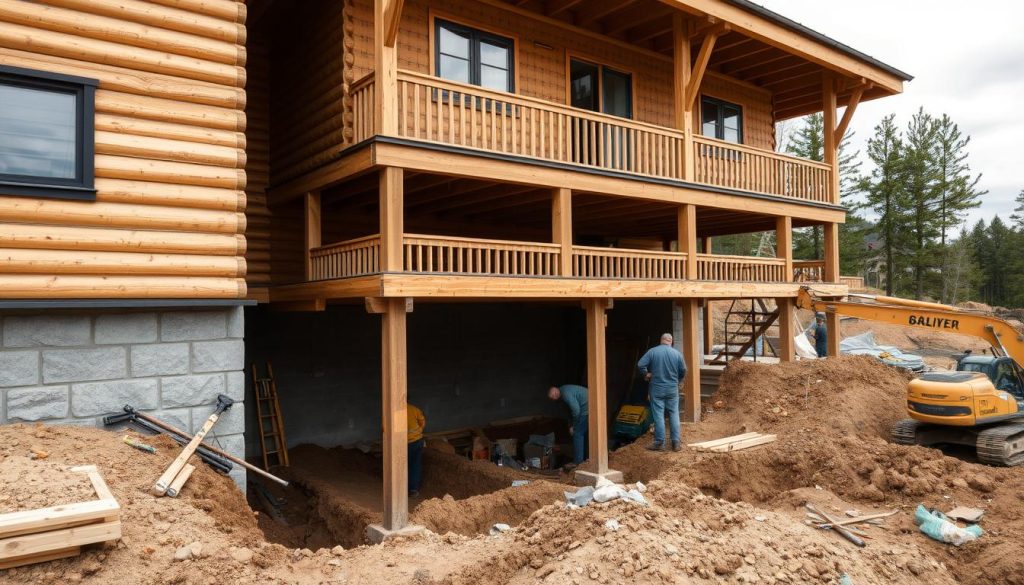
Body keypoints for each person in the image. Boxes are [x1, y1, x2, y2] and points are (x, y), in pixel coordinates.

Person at [637, 333, 686, 452]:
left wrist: (646, 373)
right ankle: (675, 443)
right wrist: (678, 380)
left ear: (661, 341)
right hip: (672, 389)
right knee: (674, 413)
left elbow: (640, 365)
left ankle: (659, 442)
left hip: (657, 388)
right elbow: (683, 370)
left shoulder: (652, 351)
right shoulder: (677, 354)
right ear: (671, 341)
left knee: (659, 415)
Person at [547, 384, 588, 465]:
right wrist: (570, 425)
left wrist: (574, 426)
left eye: (554, 395)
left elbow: (576, 411)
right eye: (553, 398)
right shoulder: (563, 392)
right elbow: (569, 412)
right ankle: (584, 460)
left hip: (587, 408)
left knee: (577, 434)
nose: (555, 398)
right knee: (583, 434)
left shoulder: (565, 394)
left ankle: (578, 463)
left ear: (556, 390)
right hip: (590, 406)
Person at [407, 404, 425, 497]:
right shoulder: (414, 409)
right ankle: (413, 489)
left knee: (402, 466)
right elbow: (422, 422)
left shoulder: (393, 412)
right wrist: (419, 431)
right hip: (417, 441)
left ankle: (401, 490)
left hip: (401, 444)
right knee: (415, 465)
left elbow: (384, 428)